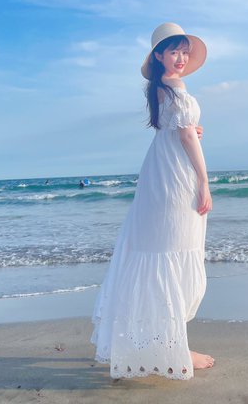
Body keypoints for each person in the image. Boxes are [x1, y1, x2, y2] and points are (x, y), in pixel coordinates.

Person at [90, 22, 214, 380]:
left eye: (184, 52)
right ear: (158, 55)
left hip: (160, 174)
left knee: (163, 253)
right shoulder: (173, 87)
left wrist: (191, 130)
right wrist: (204, 182)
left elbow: (180, 130)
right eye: (174, 51)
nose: (181, 58)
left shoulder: (162, 88)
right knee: (173, 253)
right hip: (174, 178)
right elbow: (186, 137)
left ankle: (163, 344)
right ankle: (174, 348)